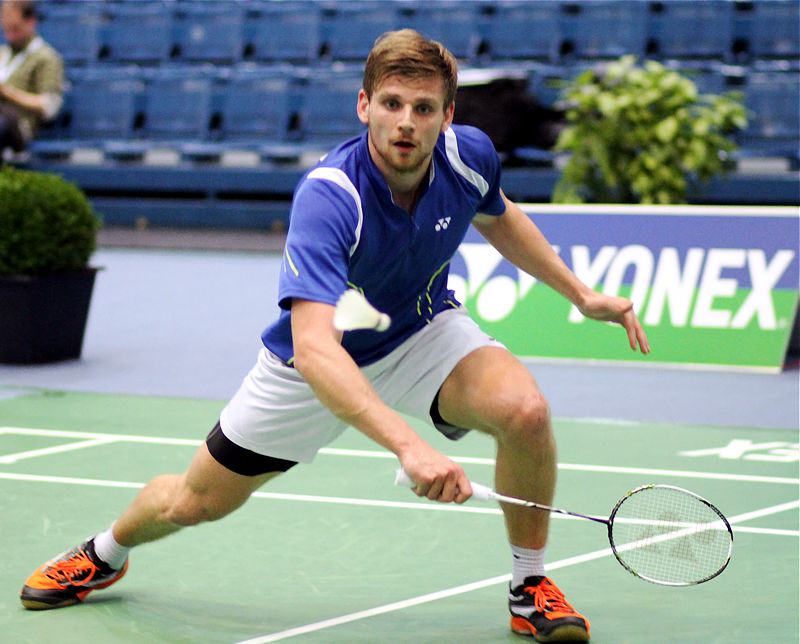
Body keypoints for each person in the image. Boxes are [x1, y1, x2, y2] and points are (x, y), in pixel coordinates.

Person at [20, 30, 648, 642]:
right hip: (311, 366)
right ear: (364, 105)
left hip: (420, 331)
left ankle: (529, 586)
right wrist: (409, 446)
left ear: (446, 115)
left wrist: (580, 293)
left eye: (423, 108)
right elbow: (318, 348)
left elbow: (498, 214)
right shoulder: (331, 196)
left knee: (526, 411)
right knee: (194, 502)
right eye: (392, 104)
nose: (406, 122)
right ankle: (105, 552)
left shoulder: (469, 154)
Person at [0, 0, 63, 160]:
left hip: (17, 124)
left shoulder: (46, 57)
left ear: (31, 21)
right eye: (6, 29)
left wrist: (7, 92)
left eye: (15, 28)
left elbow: (48, 107)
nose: (9, 35)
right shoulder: (3, 53)